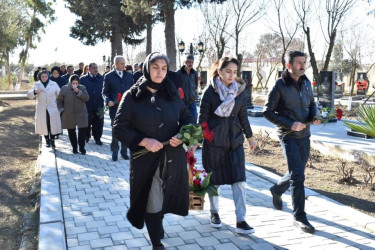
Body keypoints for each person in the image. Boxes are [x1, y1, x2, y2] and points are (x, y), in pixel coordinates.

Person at [113, 52, 194, 250]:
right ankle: (156, 243)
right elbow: (119, 127)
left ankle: (158, 225)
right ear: (147, 68)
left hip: (172, 156)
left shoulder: (171, 92)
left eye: (164, 68)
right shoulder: (133, 96)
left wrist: (183, 136)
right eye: (156, 67)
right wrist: (143, 141)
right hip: (146, 159)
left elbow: (188, 119)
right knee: (151, 198)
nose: (160, 72)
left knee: (166, 196)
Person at [264, 51, 321, 234]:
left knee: (297, 172)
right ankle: (299, 216)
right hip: (287, 135)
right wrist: (290, 124)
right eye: (299, 63)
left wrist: (315, 115)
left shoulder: (306, 82)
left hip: (305, 134)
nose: (303, 66)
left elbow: (312, 104)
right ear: (289, 66)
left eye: (304, 62)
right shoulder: (279, 85)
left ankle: (276, 190)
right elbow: (267, 111)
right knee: (298, 176)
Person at [198, 57, 257, 234]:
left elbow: (243, 117)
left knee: (239, 181)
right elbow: (202, 118)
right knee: (214, 182)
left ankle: (241, 220)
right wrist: (197, 140)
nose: (232, 75)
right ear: (219, 72)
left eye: (234, 72)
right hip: (214, 143)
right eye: (228, 71)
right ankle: (214, 212)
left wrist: (250, 137)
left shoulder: (239, 91)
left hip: (234, 143)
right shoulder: (210, 92)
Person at [102, 55, 134, 161]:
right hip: (114, 108)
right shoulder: (109, 76)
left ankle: (124, 152)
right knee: (115, 131)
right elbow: (104, 92)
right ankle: (114, 152)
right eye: (122, 63)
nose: (124, 65)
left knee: (126, 130)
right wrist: (108, 101)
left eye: (124, 63)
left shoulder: (129, 76)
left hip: (127, 109)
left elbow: (133, 90)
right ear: (116, 64)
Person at [27, 71, 62, 149]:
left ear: (48, 76)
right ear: (40, 77)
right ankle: (47, 140)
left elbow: (59, 95)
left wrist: (59, 104)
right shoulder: (37, 84)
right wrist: (35, 92)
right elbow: (29, 95)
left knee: (52, 124)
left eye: (45, 76)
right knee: (44, 124)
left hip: (52, 107)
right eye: (42, 77)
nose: (44, 78)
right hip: (41, 108)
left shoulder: (54, 84)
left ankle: (52, 140)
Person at [57, 75, 90, 154]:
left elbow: (87, 98)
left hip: (81, 113)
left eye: (76, 83)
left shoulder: (82, 88)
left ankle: (82, 148)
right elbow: (59, 101)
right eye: (73, 83)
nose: (75, 85)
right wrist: (62, 110)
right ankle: (74, 147)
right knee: (71, 131)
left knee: (82, 131)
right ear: (70, 82)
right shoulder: (64, 89)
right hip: (69, 113)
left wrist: (78, 92)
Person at [80, 63, 105, 145]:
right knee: (87, 122)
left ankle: (97, 138)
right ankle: (87, 136)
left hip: (99, 104)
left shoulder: (102, 78)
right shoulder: (83, 79)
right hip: (87, 105)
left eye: (97, 67)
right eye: (94, 68)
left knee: (98, 123)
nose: (96, 69)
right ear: (89, 69)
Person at [177, 55, 199, 123]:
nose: (190, 64)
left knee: (194, 121)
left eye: (192, 62)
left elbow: (195, 85)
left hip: (192, 101)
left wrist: (194, 94)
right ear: (185, 62)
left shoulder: (194, 73)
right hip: (183, 102)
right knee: (183, 122)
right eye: (189, 62)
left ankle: (193, 134)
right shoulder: (179, 73)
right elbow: (177, 87)